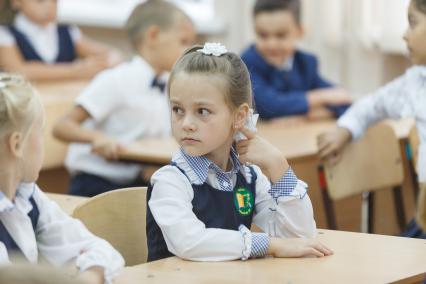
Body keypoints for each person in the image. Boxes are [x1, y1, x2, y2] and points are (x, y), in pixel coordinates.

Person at [146, 43, 333, 262]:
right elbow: (190, 242)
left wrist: (279, 167)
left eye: (202, 111)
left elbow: (299, 237)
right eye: (178, 109)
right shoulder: (170, 181)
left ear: (239, 116)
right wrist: (268, 244)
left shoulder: (248, 177)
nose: (186, 123)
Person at [53, 0, 196, 197]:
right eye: (183, 42)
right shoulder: (116, 80)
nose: (188, 51)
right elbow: (62, 126)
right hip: (94, 183)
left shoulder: (168, 84)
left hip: (133, 180)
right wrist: (98, 138)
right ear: (153, 36)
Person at [0, 73, 124, 283]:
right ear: (17, 144)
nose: (42, 143)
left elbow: (101, 251)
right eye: (39, 132)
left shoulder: (26, 194)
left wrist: (89, 277)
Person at [317, 0, 426, 239]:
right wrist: (344, 129)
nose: (405, 35)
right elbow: (372, 105)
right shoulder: (416, 83)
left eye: (413, 23)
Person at [241, 0, 351, 120]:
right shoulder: (247, 64)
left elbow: (343, 100)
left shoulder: (306, 63)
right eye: (263, 35)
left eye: (281, 35)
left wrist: (304, 116)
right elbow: (269, 106)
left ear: (300, 32)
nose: (271, 44)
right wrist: (320, 98)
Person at [0, 0, 122, 81]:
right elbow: (19, 72)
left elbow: (111, 53)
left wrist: (109, 61)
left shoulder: (68, 32)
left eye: (54, 1)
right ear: (15, 2)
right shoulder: (5, 35)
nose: (49, 6)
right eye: (40, 0)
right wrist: (76, 71)